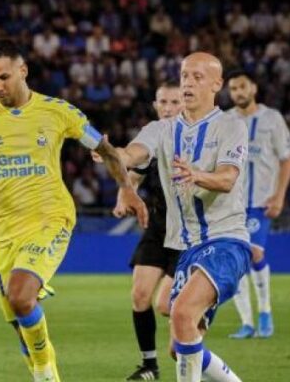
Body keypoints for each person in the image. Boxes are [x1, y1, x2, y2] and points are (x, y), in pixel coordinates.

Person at [0, 39, 144, 382]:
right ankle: (47, 374)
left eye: (4, 77)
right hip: (1, 229)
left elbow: (107, 150)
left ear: (23, 71)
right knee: (19, 318)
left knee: (21, 296)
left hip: (49, 218)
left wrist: (127, 188)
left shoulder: (57, 111)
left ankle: (44, 374)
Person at [109, 52, 249, 382]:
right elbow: (130, 155)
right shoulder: (161, 129)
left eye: (198, 77)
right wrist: (110, 153)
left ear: (216, 84)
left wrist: (197, 175)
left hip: (225, 240)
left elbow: (227, 178)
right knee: (181, 345)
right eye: (185, 75)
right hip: (187, 249)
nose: (188, 83)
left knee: (182, 313)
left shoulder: (231, 126)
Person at [110, 81, 185, 381]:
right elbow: (135, 170)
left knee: (164, 305)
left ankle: (197, 317)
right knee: (140, 295)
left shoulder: (196, 136)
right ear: (155, 105)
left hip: (188, 232)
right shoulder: (153, 134)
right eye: (163, 102)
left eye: (174, 102)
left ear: (186, 103)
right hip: (158, 227)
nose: (168, 108)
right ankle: (149, 366)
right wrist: (123, 196)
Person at [225, 70, 290, 339]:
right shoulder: (225, 121)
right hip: (230, 204)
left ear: (253, 88)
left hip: (260, 201)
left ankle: (265, 311)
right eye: (233, 89)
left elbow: (286, 159)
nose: (238, 92)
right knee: (235, 260)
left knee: (254, 253)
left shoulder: (272, 118)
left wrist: (279, 195)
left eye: (242, 86)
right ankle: (247, 323)